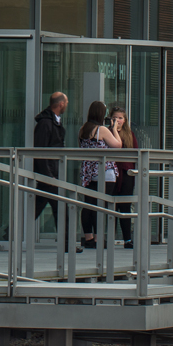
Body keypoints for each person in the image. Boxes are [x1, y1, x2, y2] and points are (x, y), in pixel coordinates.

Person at [77, 100, 123, 250]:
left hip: (88, 172)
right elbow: (118, 145)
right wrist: (115, 129)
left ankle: (88, 237)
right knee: (101, 205)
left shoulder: (83, 129)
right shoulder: (101, 129)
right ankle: (98, 238)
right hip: (104, 172)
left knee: (88, 204)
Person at [32, 91, 68, 233]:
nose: (66, 106)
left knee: (37, 208)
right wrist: (48, 175)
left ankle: (10, 233)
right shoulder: (46, 123)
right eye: (66, 103)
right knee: (61, 208)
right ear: (61, 104)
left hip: (51, 173)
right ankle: (67, 243)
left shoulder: (53, 122)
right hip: (49, 174)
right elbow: (40, 150)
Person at [109, 106, 139, 248]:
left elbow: (135, 153)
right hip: (112, 173)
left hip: (126, 173)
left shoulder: (129, 134)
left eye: (120, 118)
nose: (118, 120)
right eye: (115, 118)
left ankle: (127, 239)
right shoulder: (108, 132)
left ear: (125, 120)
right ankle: (110, 237)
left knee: (125, 206)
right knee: (111, 206)